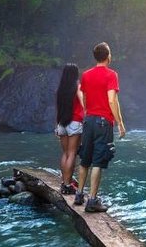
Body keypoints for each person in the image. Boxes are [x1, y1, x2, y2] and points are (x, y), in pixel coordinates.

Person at [74, 42, 127, 212]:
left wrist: (87, 111)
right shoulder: (111, 75)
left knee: (85, 158)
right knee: (98, 160)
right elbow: (112, 100)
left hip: (88, 120)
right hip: (103, 122)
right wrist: (120, 123)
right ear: (108, 56)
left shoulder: (86, 75)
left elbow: (83, 94)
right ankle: (92, 201)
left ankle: (79, 195)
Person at [55, 63, 85, 195]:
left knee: (66, 153)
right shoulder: (77, 87)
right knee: (72, 154)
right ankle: (68, 185)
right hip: (75, 123)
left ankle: (64, 182)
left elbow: (58, 109)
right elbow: (84, 104)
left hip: (62, 124)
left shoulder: (60, 90)